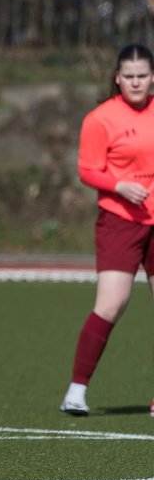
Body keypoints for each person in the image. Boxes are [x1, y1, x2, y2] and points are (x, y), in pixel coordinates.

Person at [61, 44, 154, 417]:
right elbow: (88, 170)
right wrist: (119, 186)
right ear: (117, 78)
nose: (135, 82)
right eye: (129, 76)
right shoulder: (101, 118)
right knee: (111, 303)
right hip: (120, 219)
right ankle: (76, 391)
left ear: (152, 78)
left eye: (142, 76)